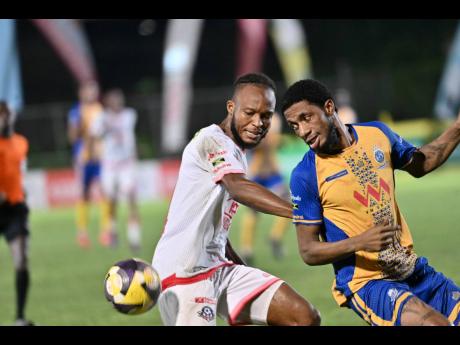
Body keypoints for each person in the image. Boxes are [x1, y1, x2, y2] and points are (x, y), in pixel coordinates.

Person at [282, 78, 460, 326]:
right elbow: (308, 250)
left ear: (329, 107)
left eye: (306, 118)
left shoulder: (377, 134)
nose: (302, 131)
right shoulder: (306, 175)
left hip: (411, 268)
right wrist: (361, 242)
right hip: (368, 283)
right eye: (294, 126)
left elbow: (422, 164)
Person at [152, 73, 321, 326]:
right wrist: (300, 212)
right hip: (184, 273)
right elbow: (237, 186)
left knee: (304, 317)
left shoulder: (236, 150)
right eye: (250, 113)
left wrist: (242, 268)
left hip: (219, 268)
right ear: (231, 108)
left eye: (266, 116)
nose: (258, 123)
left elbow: (216, 227)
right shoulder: (211, 140)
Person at [90, 88, 141, 252]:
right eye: (115, 99)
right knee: (111, 201)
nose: (118, 102)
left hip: (126, 163)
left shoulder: (129, 115)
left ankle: (134, 239)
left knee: (131, 199)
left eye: (120, 99)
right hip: (110, 165)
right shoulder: (102, 118)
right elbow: (94, 135)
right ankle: (112, 232)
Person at [239, 112, 291, 265]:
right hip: (257, 174)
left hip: (273, 173)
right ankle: (246, 249)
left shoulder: (273, 121)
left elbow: (275, 142)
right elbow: (254, 145)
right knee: (253, 212)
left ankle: (275, 237)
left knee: (290, 206)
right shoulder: (254, 124)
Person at [0, 101, 33, 326]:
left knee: (21, 262)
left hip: (14, 211)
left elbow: (19, 173)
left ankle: (20, 318)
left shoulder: (21, 143)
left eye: (5, 115)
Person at [67, 81, 111, 248]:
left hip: (100, 157)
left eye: (94, 90)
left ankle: (106, 231)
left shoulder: (100, 109)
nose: (92, 93)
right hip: (83, 158)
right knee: (84, 194)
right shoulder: (76, 111)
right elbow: (72, 137)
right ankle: (82, 232)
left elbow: (105, 132)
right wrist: (80, 126)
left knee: (104, 191)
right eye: (89, 90)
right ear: (81, 93)